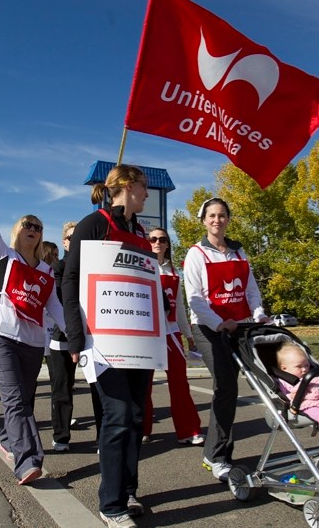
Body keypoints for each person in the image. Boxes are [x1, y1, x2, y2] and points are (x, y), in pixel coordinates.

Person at [62, 164, 153, 528]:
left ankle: (128, 489)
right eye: (144, 187)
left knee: (135, 416)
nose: (147, 194)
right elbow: (69, 280)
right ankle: (111, 504)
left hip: (139, 341)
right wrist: (75, 335)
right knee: (116, 417)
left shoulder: (140, 230)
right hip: (104, 341)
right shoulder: (93, 224)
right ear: (128, 187)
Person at [0, 158, 66, 486]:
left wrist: (81, 339)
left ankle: (9, 440)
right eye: (28, 225)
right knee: (13, 400)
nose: (33, 230)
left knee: (24, 402)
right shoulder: (4, 257)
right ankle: (28, 461)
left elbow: (57, 311)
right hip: (0, 337)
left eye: (38, 227)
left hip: (33, 344)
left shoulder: (48, 272)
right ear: (18, 232)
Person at [183, 197, 270, 482]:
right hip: (208, 329)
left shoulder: (238, 251)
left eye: (222, 215)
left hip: (239, 326)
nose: (217, 220)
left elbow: (251, 290)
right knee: (225, 384)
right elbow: (195, 301)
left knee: (241, 386)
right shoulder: (196, 254)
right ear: (203, 220)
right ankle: (218, 455)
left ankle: (215, 452)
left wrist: (258, 314)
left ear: (228, 219)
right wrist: (220, 324)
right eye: (211, 216)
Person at [142, 227, 204, 445]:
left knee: (179, 382)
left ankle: (188, 430)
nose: (158, 242)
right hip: (146, 333)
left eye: (162, 239)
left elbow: (179, 309)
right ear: (147, 242)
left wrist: (188, 335)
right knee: (143, 384)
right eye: (153, 239)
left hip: (170, 332)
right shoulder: (141, 267)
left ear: (168, 244)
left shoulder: (175, 272)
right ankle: (143, 428)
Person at [47, 222, 79, 452]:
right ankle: (61, 436)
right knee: (62, 388)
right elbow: (58, 299)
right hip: (62, 337)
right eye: (70, 237)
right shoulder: (58, 267)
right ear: (64, 242)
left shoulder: (94, 264)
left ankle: (104, 438)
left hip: (91, 337)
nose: (75, 240)